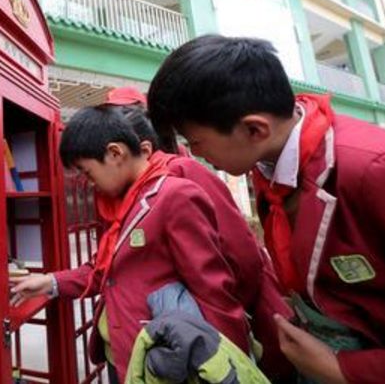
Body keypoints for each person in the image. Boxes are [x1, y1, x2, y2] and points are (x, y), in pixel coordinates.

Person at [146, 34, 385, 384]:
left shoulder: (375, 169)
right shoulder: (269, 166)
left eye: (195, 141)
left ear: (254, 128)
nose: (196, 153)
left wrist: (343, 369)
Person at [15, 105, 250, 383]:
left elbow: (213, 291)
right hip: (123, 355)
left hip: (164, 361)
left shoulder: (174, 195)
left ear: (115, 153)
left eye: (88, 173)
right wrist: (50, 282)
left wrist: (231, 369)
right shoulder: (124, 202)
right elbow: (106, 271)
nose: (89, 184)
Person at [104, 88, 294, 379]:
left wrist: (219, 318)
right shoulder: (126, 189)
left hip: (190, 342)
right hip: (140, 344)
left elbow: (241, 258)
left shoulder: (182, 174)